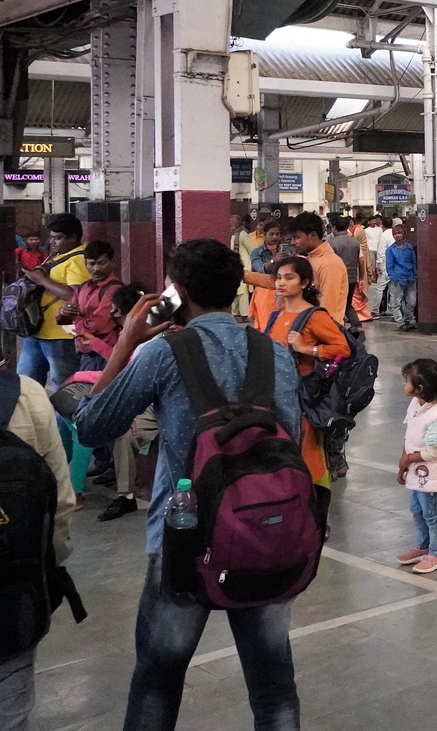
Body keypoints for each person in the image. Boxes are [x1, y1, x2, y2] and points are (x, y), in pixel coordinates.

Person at [74, 239, 304, 730]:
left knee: (159, 681)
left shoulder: (162, 351)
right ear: (238, 286)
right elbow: (292, 442)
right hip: (264, 531)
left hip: (183, 539)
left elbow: (93, 426)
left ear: (177, 291)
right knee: (274, 691)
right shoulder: (274, 353)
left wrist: (124, 343)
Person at [0, 365, 75, 729]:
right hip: (14, 596)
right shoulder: (27, 394)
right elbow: (60, 503)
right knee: (11, 714)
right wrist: (44, 577)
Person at [262, 254, 351, 484]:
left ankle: (317, 509)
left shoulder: (314, 316)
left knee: (310, 456)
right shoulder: (276, 315)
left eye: (289, 278)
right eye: (279, 277)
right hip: (278, 397)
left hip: (306, 400)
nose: (281, 282)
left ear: (304, 283)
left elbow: (343, 348)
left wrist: (308, 349)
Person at [95, 283, 157, 523]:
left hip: (163, 400)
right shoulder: (131, 335)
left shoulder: (152, 337)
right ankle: (126, 494)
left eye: (116, 311)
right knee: (122, 430)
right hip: (147, 399)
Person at [394, 358, 437, 576]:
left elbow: (431, 453)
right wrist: (403, 465)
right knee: (417, 510)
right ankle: (423, 547)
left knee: (431, 514)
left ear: (419, 388)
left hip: (431, 475)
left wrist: (407, 460)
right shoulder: (416, 405)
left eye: (406, 381)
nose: (403, 384)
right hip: (416, 472)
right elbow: (409, 435)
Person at [18, 213, 90, 389]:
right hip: (39, 331)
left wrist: (40, 280)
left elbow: (76, 296)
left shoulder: (78, 259)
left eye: (58, 238)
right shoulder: (59, 254)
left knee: (63, 386)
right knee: (25, 384)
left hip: (61, 336)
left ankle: (64, 418)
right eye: (51, 238)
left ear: (73, 237)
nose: (52, 242)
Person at [58, 240, 122, 373]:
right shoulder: (82, 287)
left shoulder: (114, 289)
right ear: (85, 264)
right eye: (92, 263)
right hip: (85, 355)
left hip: (104, 355)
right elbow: (64, 323)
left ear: (112, 263)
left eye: (102, 263)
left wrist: (73, 321)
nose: (96, 269)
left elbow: (96, 325)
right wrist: (62, 312)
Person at [326, 215, 365, 328]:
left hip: (336, 278)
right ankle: (356, 325)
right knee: (347, 303)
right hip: (352, 277)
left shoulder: (331, 243)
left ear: (334, 227)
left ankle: (337, 326)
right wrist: (361, 277)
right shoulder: (355, 242)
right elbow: (361, 260)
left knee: (335, 303)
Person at [248, 221, 283, 330]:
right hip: (264, 292)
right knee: (266, 325)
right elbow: (260, 269)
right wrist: (274, 261)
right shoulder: (256, 252)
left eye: (277, 234)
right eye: (271, 234)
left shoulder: (284, 250)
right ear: (264, 234)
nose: (275, 237)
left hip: (283, 291)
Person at [386, 223, 418, 331]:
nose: (397, 235)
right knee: (396, 302)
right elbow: (389, 266)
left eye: (399, 233)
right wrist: (394, 278)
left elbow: (413, 262)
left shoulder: (409, 247)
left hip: (410, 277)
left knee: (411, 301)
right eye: (395, 234)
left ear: (403, 234)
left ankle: (409, 319)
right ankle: (400, 322)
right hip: (398, 278)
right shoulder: (390, 250)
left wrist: (414, 274)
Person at [364, 216, 391, 316]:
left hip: (384, 265)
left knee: (379, 289)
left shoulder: (383, 235)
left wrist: (379, 264)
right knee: (394, 290)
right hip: (393, 265)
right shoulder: (395, 234)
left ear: (383, 225)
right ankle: (393, 310)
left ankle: (375, 310)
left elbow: (381, 251)